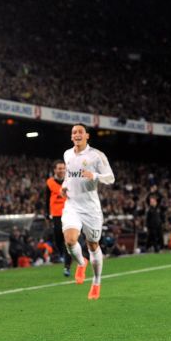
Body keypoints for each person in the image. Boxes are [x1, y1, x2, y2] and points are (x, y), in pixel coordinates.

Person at [60, 124, 115, 300]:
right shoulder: (67, 154)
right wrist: (64, 186)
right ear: (71, 137)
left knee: (93, 245)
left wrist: (95, 176)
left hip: (91, 209)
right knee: (70, 240)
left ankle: (96, 282)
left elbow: (111, 178)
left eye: (80, 132)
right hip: (72, 205)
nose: (77, 134)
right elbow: (69, 176)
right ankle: (82, 263)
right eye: (73, 132)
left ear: (87, 136)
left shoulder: (96, 156)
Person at [45, 160, 69, 275]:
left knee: (68, 239)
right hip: (56, 214)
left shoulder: (69, 181)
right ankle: (63, 254)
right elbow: (46, 199)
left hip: (69, 213)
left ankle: (67, 266)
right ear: (54, 170)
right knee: (58, 237)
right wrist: (46, 213)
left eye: (63, 168)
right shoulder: (49, 182)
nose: (61, 170)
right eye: (59, 168)